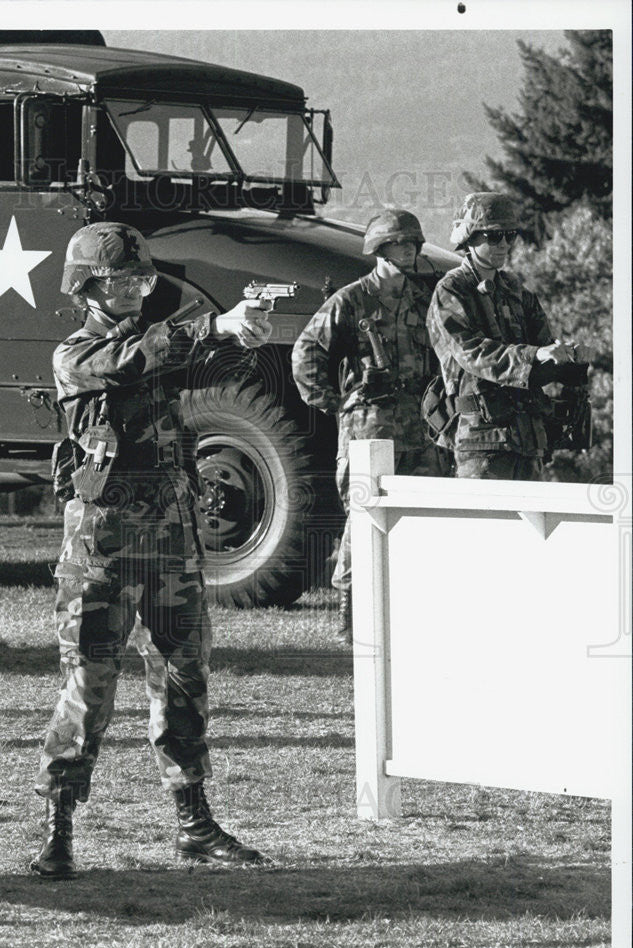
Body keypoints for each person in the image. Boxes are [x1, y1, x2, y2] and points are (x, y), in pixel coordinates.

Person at [32, 221, 273, 878]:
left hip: (170, 544)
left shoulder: (154, 340)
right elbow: (137, 360)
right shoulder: (75, 354)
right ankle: (56, 827)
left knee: (184, 682)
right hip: (102, 550)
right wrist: (216, 327)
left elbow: (197, 358)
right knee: (91, 688)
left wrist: (243, 330)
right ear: (88, 285)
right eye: (123, 280)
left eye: (142, 279)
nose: (137, 289)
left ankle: (194, 824)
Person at [291, 208, 445, 644]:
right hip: (369, 429)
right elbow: (306, 355)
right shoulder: (351, 299)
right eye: (400, 243)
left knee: (419, 519)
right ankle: (351, 617)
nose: (410, 250)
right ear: (379, 249)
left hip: (420, 427)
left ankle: (408, 618)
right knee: (363, 522)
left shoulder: (423, 299)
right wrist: (336, 404)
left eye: (414, 243)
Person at [426, 192, 589, 481]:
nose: (504, 244)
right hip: (482, 440)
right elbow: (472, 353)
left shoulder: (516, 290)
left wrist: (569, 359)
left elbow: (543, 347)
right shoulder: (451, 290)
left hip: (528, 438)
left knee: (533, 525)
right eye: (493, 236)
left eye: (509, 235)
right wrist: (532, 355)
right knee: (483, 525)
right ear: (469, 238)